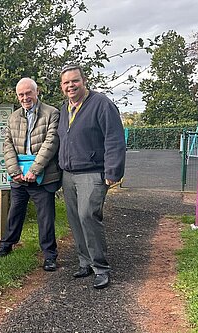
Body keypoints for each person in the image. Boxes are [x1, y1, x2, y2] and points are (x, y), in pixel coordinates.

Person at [58, 64, 126, 289]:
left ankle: (101, 267)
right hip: (68, 174)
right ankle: (84, 262)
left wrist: (113, 171)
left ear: (83, 81)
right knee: (75, 219)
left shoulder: (101, 104)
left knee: (88, 215)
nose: (71, 86)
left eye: (74, 81)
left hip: (92, 172)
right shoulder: (64, 109)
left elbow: (114, 139)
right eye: (66, 82)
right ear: (62, 86)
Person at [0, 77, 61, 272]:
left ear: (36, 91)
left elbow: (51, 143)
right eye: (21, 95)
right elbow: (8, 146)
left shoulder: (52, 113)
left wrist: (34, 170)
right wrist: (14, 172)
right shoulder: (13, 117)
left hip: (43, 176)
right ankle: (6, 245)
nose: (25, 98)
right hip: (19, 176)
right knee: (14, 212)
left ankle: (49, 255)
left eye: (28, 93)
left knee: (45, 217)